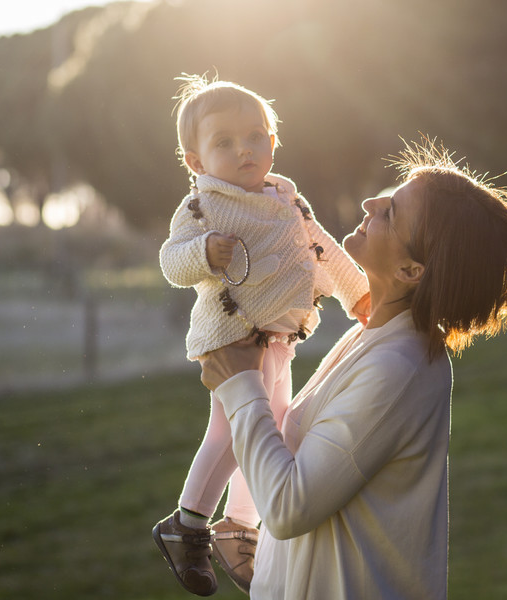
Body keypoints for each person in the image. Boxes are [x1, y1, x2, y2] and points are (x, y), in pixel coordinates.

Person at [197, 139, 507, 599]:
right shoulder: (375, 334)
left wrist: (239, 384)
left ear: (412, 270)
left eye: (391, 213)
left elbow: (290, 507)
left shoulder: (398, 370)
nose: (370, 203)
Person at [153, 74, 370, 597]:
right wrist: (204, 251)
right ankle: (187, 524)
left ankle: (240, 525)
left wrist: (358, 294)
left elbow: (321, 248)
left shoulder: (286, 199)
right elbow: (171, 260)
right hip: (231, 336)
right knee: (232, 434)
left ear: (274, 141)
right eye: (224, 142)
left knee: (273, 429)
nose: (244, 150)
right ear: (196, 162)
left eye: (255, 136)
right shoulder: (205, 206)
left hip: (276, 338)